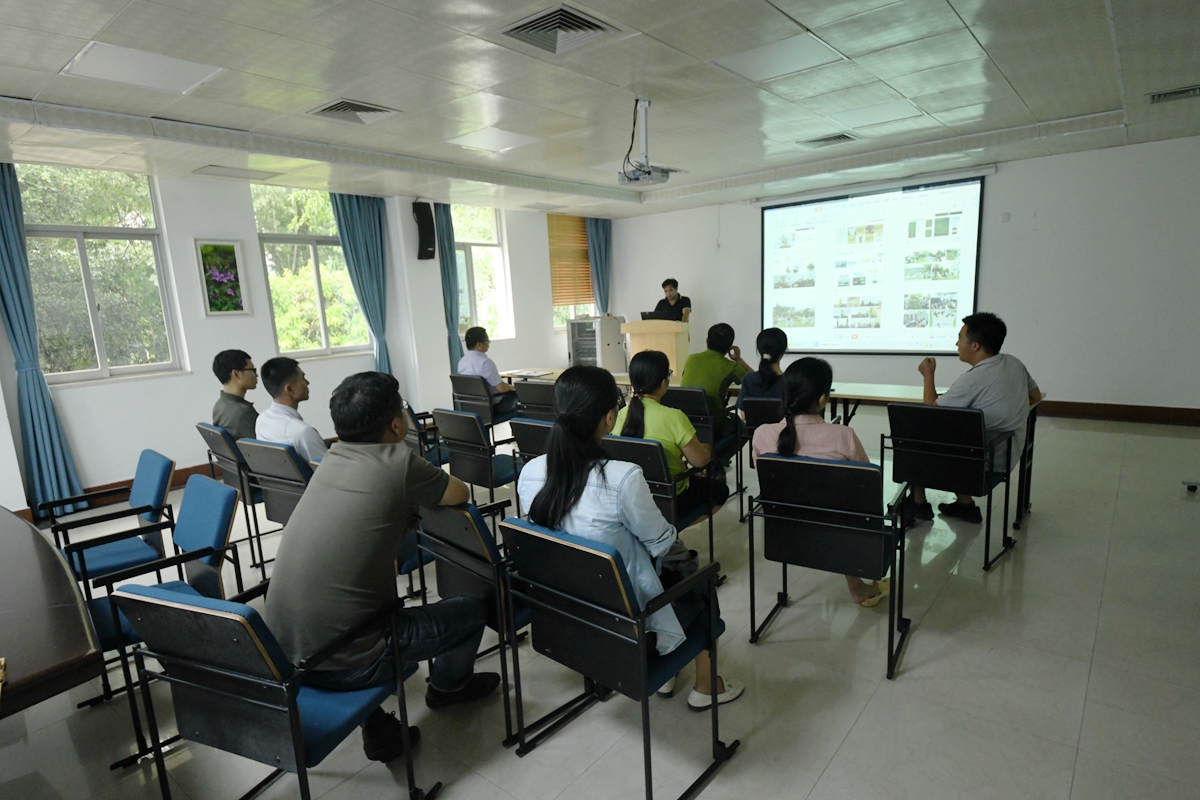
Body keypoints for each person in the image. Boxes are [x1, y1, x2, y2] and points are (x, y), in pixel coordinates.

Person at [264, 372, 499, 764]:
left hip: (287, 653)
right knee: (473, 611)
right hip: (350, 660)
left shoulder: (330, 458)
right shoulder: (398, 463)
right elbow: (459, 492)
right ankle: (449, 687)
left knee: (347, 609)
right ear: (396, 425)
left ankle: (375, 722)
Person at [518, 366, 743, 709]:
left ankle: (670, 674)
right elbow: (662, 543)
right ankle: (707, 686)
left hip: (569, 615)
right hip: (630, 624)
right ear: (610, 418)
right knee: (699, 578)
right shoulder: (622, 478)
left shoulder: (530, 472)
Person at [752, 357, 888, 607]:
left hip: (785, 534)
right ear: (823, 398)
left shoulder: (762, 434)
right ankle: (858, 587)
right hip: (839, 537)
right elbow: (868, 486)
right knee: (847, 508)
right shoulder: (843, 436)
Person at [907, 312, 1044, 523]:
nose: (957, 343)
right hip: (1007, 454)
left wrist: (928, 375)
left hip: (980, 467)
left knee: (913, 433)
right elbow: (1035, 396)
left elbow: (931, 412)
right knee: (958, 432)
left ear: (975, 346)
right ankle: (965, 506)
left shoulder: (973, 379)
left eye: (960, 338)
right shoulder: (1014, 363)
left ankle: (918, 505)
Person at [616, 350, 729, 520]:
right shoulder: (674, 417)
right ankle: (671, 530)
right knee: (720, 491)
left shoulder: (621, 416)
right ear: (663, 382)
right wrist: (706, 448)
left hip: (633, 499)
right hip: (671, 499)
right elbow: (700, 461)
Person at [681, 323, 754, 440]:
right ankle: (721, 452)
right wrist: (739, 359)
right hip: (714, 422)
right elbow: (755, 381)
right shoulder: (731, 367)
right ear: (730, 347)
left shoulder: (691, 359)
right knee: (742, 427)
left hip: (686, 421)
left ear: (706, 340)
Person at [255, 357, 329, 464]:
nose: (307, 382)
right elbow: (329, 470)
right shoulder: (302, 433)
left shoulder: (262, 420)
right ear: (289, 389)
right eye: (303, 378)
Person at [457, 326, 517, 420]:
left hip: (471, 407)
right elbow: (502, 389)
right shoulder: (485, 362)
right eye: (487, 341)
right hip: (492, 408)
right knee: (520, 396)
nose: (488, 344)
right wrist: (513, 387)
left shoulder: (461, 362)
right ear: (479, 344)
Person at [211, 349, 258, 441]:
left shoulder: (219, 405)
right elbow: (265, 447)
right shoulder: (244, 413)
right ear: (236, 374)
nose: (256, 375)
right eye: (253, 370)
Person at [736, 328, 787, 411]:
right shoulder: (790, 382)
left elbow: (744, 414)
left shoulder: (749, 379)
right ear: (783, 351)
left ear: (759, 350)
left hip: (753, 420)